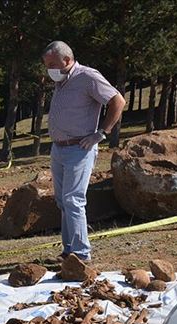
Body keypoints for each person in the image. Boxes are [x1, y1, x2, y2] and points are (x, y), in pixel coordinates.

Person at [42, 41, 126, 262]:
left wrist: (101, 133)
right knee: (62, 201)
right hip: (59, 148)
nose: (49, 69)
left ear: (67, 60)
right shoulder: (62, 81)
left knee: (73, 200)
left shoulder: (88, 77)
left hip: (79, 148)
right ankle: (68, 251)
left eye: (52, 64)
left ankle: (81, 254)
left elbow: (117, 101)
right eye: (46, 65)